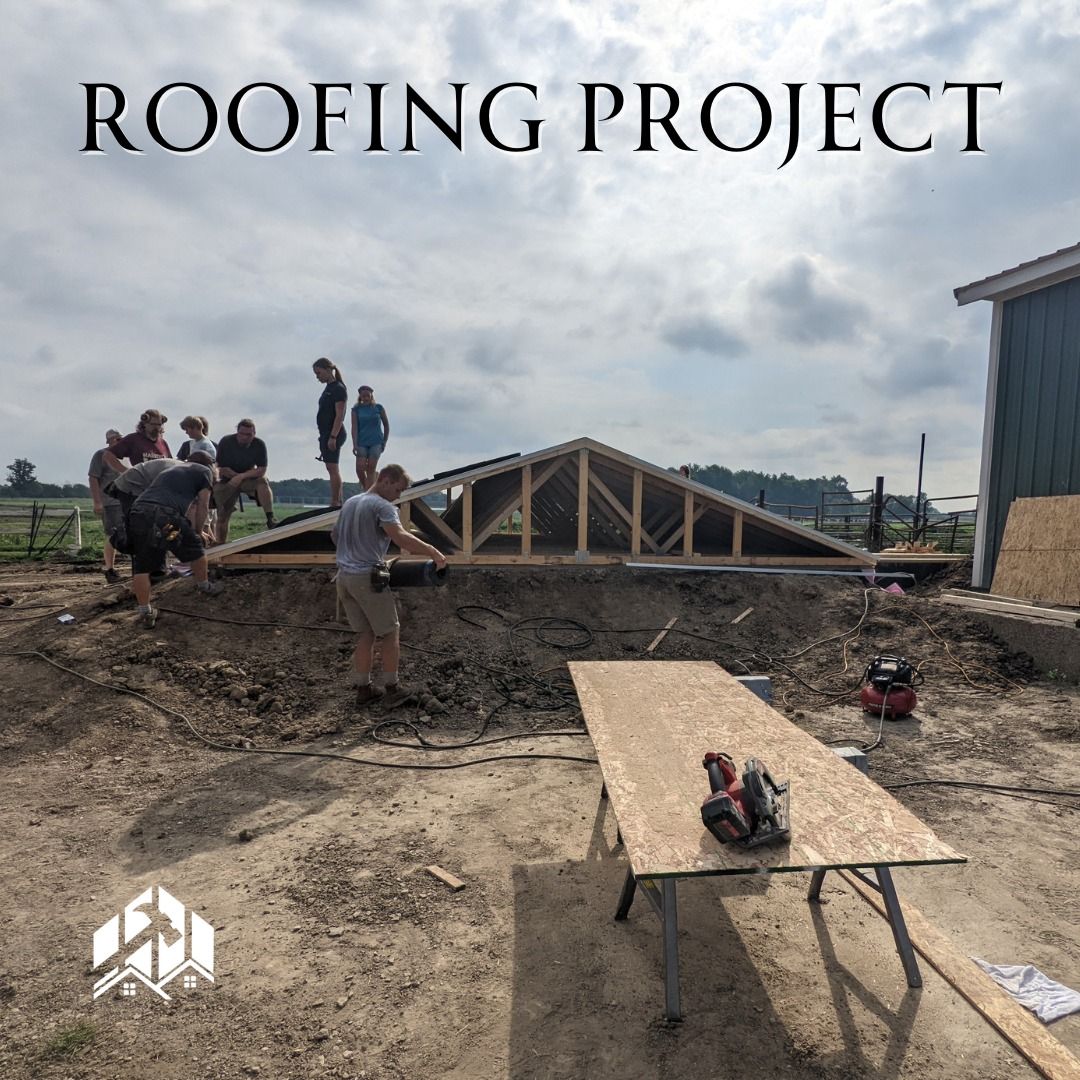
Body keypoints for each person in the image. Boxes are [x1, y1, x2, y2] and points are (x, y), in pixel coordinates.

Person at [331, 463, 446, 704]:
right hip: (366, 578)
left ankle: (364, 690)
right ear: (385, 480)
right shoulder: (382, 506)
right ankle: (392, 689)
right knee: (390, 632)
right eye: (398, 489)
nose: (399, 495)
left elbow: (335, 535)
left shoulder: (351, 503)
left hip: (344, 577)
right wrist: (433, 552)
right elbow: (400, 536)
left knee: (366, 634)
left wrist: (358, 549)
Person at [126, 453, 224, 629]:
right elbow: (203, 505)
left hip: (138, 512)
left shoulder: (173, 470)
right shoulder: (204, 472)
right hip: (164, 514)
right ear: (211, 466)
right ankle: (205, 586)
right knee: (195, 549)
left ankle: (145, 612)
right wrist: (198, 531)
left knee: (142, 564)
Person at [213, 418, 276, 544]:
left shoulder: (259, 444)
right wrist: (234, 477)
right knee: (222, 516)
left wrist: (241, 477)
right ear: (237, 432)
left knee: (263, 481)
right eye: (241, 434)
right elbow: (221, 467)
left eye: (248, 434)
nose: (244, 437)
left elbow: (261, 469)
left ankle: (270, 517)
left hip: (247, 479)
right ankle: (220, 545)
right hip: (227, 480)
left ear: (254, 434)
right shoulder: (226, 442)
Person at [88, 429, 124, 584]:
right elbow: (93, 478)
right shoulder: (100, 455)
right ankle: (110, 568)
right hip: (109, 501)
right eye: (114, 439)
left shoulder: (124, 457)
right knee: (112, 534)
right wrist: (97, 501)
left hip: (125, 501)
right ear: (109, 441)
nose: (117, 442)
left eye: (119, 439)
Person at [312, 357, 348, 507]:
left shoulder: (338, 388)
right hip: (326, 433)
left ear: (328, 370)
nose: (317, 377)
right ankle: (337, 499)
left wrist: (333, 436)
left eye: (319, 373)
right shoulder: (328, 388)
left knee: (333, 467)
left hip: (334, 433)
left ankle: (336, 501)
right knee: (330, 467)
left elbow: (340, 414)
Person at [104, 409, 172, 470]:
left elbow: (170, 464)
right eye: (153, 424)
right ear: (145, 424)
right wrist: (126, 472)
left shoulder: (163, 443)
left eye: (159, 425)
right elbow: (108, 455)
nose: (156, 427)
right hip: (141, 482)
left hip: (160, 482)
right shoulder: (134, 439)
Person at [350, 385, 390, 490]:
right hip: (362, 441)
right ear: (360, 396)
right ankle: (367, 488)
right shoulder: (356, 409)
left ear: (371, 395)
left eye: (368, 395)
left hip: (376, 441)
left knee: (371, 468)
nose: (366, 397)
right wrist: (354, 444)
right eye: (363, 395)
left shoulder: (378, 408)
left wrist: (384, 441)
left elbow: (386, 424)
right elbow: (354, 427)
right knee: (360, 468)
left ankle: (370, 492)